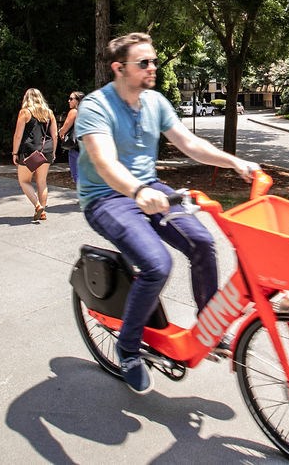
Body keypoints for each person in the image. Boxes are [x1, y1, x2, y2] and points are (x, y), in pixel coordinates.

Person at [74, 32, 259, 394]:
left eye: (154, 61)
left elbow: (189, 143)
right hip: (106, 198)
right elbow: (105, 162)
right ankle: (128, 349)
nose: (153, 67)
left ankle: (209, 326)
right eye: (143, 63)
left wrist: (234, 162)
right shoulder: (96, 106)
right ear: (119, 68)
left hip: (149, 189)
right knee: (157, 264)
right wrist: (138, 191)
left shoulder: (155, 102)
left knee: (202, 241)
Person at [11, 88, 57, 221]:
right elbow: (54, 134)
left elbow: (18, 135)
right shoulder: (49, 113)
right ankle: (43, 212)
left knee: (24, 181)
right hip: (46, 150)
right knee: (42, 181)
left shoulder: (25, 112)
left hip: (30, 151)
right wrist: (53, 151)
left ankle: (38, 206)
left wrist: (15, 152)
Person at [58, 91, 84, 183]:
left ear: (78, 101)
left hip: (76, 148)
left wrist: (60, 132)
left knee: (77, 175)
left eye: (71, 99)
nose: (69, 101)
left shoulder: (74, 111)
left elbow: (64, 129)